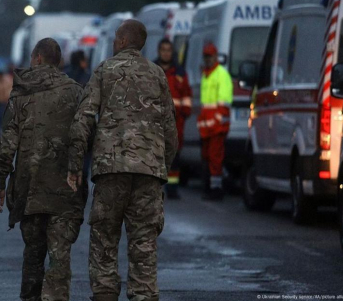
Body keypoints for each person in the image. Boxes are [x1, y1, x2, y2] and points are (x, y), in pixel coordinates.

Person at [68, 19, 178, 301]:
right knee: (144, 240)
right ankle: (143, 293)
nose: (115, 42)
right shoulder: (157, 74)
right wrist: (161, 164)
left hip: (110, 168)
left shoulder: (105, 71)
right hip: (149, 170)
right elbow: (170, 129)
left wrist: (76, 164)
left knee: (104, 237)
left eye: (117, 38)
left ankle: (105, 293)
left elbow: (83, 118)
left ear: (124, 41)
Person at [0, 38, 86, 301]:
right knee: (60, 256)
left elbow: (8, 141)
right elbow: (86, 137)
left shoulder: (22, 93)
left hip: (29, 189)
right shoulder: (76, 92)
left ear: (37, 58)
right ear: (58, 61)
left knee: (33, 254)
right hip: (65, 191)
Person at [154, 38, 192, 199]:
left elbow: (186, 96)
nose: (166, 53)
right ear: (159, 51)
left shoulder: (180, 73)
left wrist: (184, 112)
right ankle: (155, 189)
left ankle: (173, 189)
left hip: (176, 123)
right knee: (155, 156)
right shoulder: (152, 70)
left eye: (168, 50)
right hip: (154, 122)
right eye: (163, 49)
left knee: (174, 157)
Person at [197, 42, 233, 201]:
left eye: (210, 56)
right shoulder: (207, 75)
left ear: (215, 56)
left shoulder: (221, 75)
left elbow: (223, 104)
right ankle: (211, 187)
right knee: (207, 157)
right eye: (206, 56)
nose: (208, 59)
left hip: (217, 127)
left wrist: (214, 121)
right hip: (207, 127)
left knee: (215, 158)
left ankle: (216, 189)